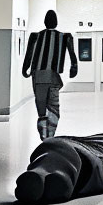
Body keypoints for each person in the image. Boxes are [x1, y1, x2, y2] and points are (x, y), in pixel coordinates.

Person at [14, 133, 103, 205]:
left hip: (63, 143)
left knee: (54, 153)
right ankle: (62, 176)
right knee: (90, 163)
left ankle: (40, 171)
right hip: (92, 151)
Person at [22, 10, 78, 140]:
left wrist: (25, 70)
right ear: (56, 22)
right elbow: (72, 55)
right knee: (53, 107)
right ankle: (50, 134)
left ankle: (44, 134)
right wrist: (73, 68)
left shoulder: (35, 36)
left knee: (41, 108)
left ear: (44, 22)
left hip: (38, 77)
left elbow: (28, 56)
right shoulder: (65, 36)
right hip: (53, 76)